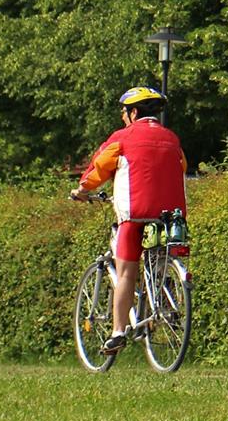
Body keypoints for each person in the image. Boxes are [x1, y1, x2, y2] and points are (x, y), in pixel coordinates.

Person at [71, 87, 187, 354]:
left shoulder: (122, 138)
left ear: (133, 112)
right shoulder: (172, 138)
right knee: (158, 258)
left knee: (125, 272)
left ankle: (118, 331)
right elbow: (180, 167)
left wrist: (82, 191)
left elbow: (98, 169)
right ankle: (165, 295)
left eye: (125, 113)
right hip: (171, 215)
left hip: (134, 214)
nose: (124, 118)